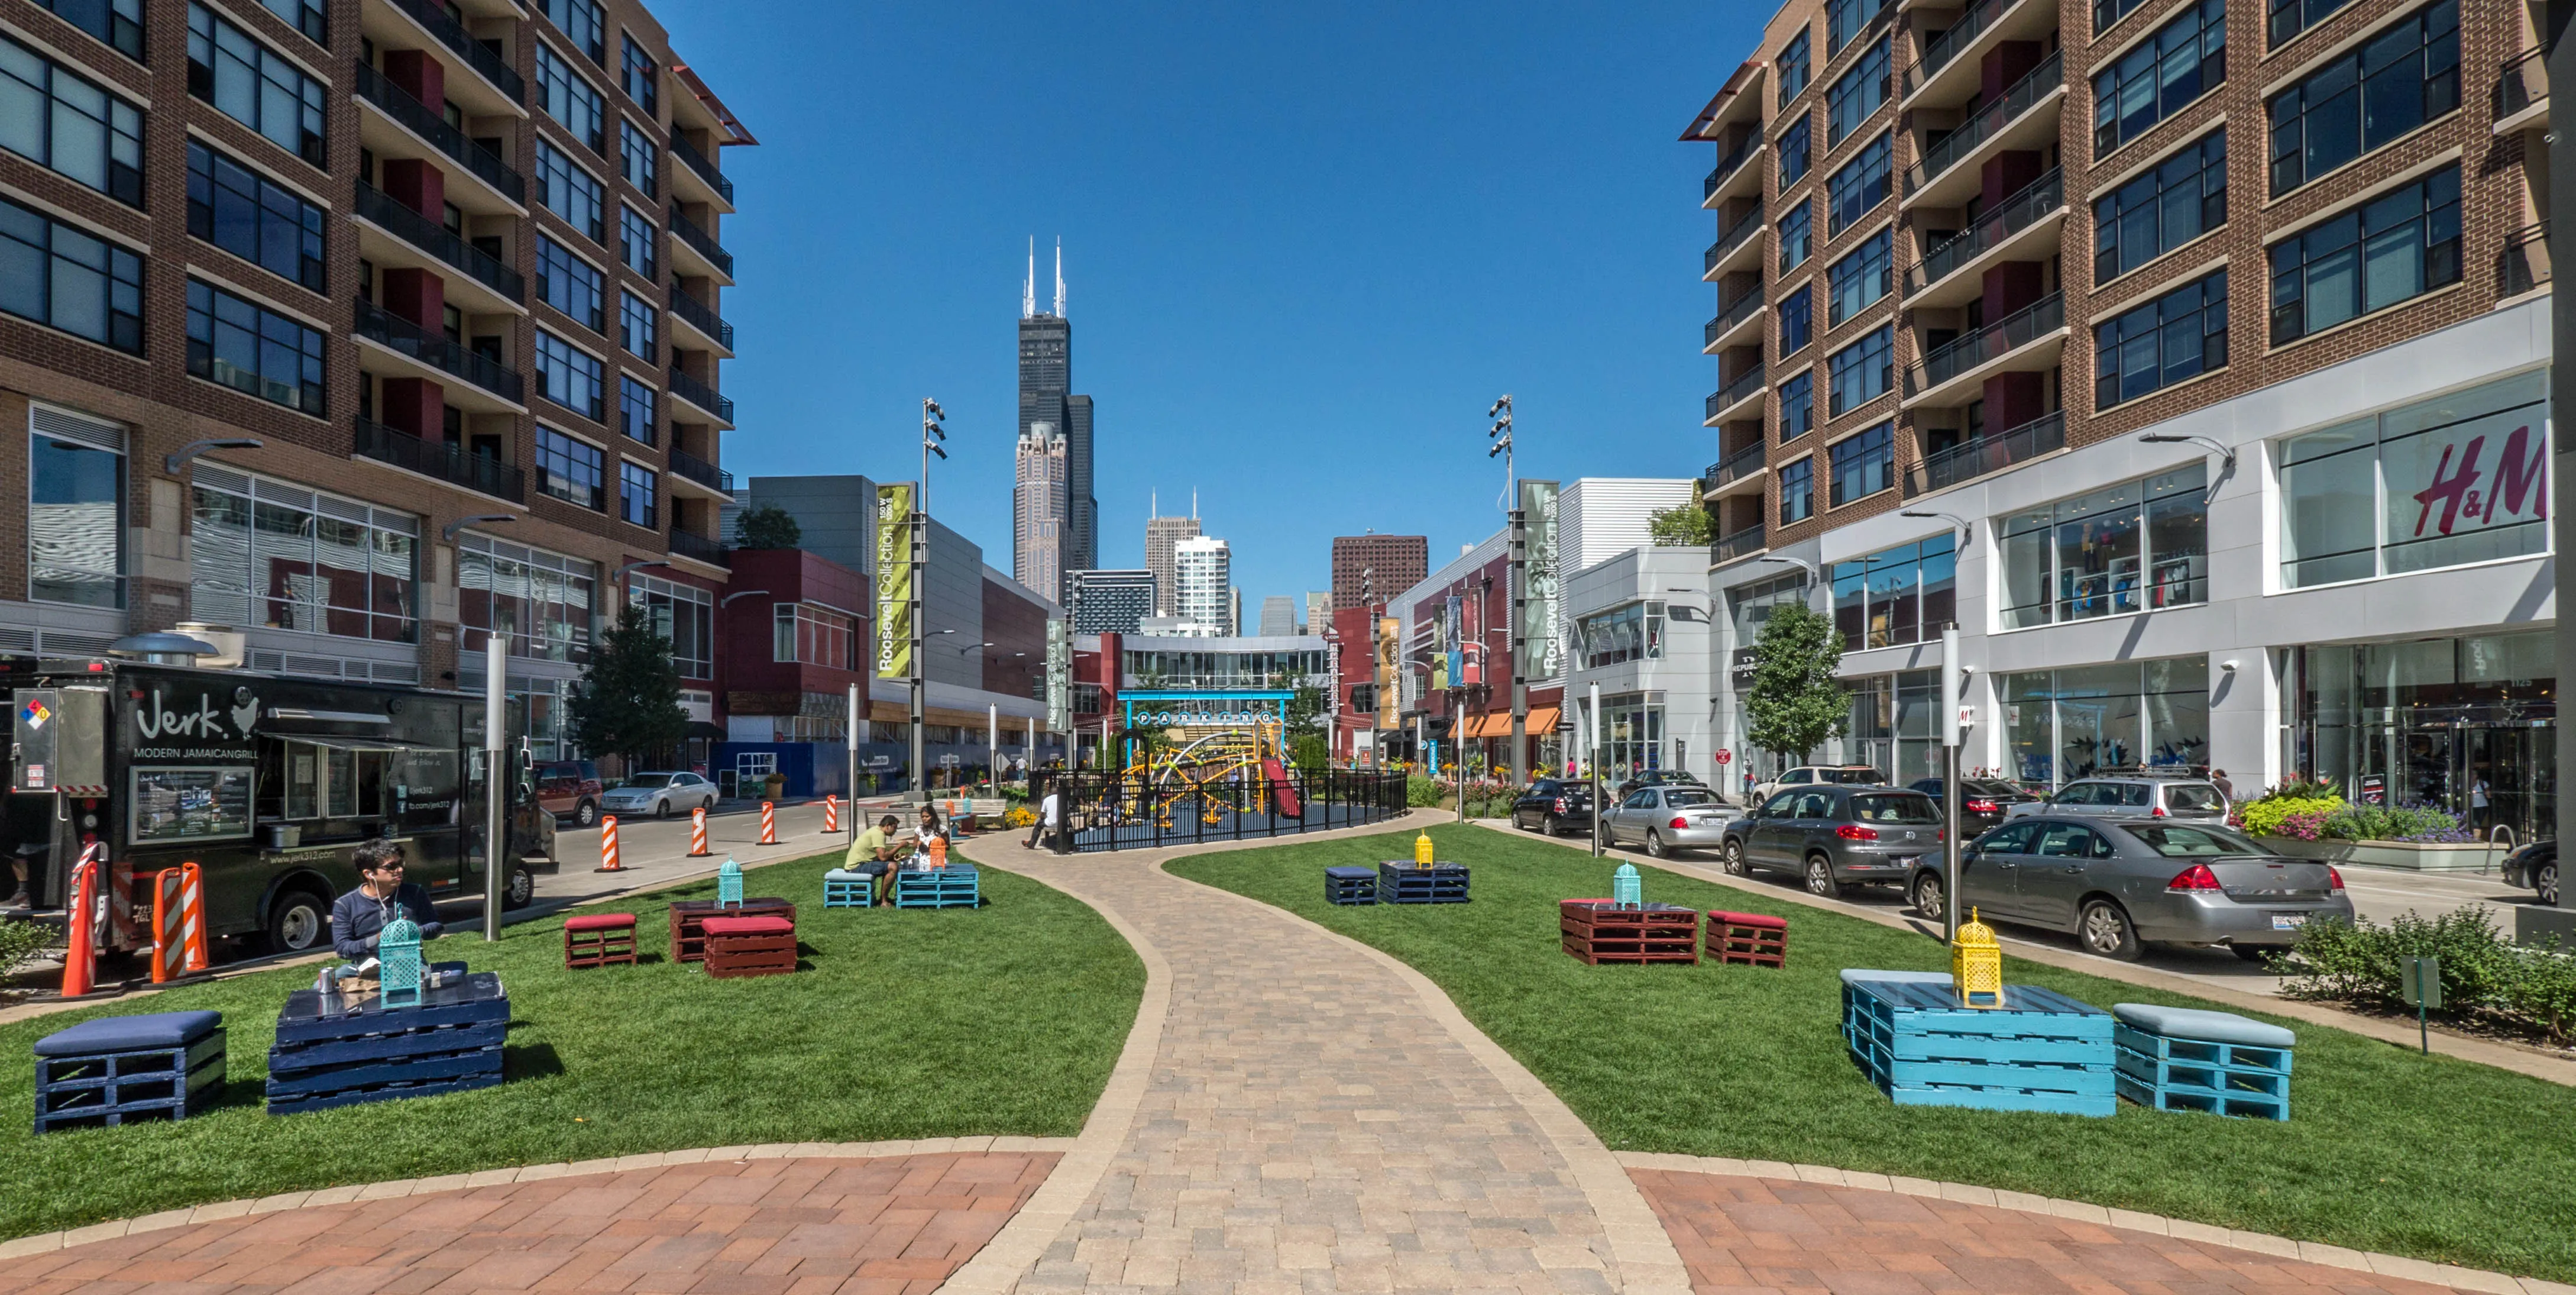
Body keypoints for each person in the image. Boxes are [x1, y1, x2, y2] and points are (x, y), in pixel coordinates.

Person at [330, 838, 441, 963]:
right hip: (364, 969)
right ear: (369, 874)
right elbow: (343, 949)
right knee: (322, 983)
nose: (400, 870)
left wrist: (413, 930)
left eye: (400, 864)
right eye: (391, 867)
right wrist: (380, 939)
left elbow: (436, 927)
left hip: (411, 965)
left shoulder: (415, 892)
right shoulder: (345, 905)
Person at [845, 815, 900, 905]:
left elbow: (880, 857)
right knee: (893, 867)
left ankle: (884, 898)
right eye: (894, 828)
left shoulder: (876, 830)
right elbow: (883, 857)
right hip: (856, 867)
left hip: (860, 864)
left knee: (891, 863)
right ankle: (883, 901)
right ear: (887, 826)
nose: (895, 831)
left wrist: (894, 857)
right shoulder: (879, 834)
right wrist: (900, 846)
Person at [1025, 777, 1060, 850]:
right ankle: (1071, 843)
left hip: (1050, 823)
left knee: (1038, 826)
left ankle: (1031, 844)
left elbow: (1043, 814)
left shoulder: (1047, 800)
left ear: (1051, 792)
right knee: (1070, 824)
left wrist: (1041, 819)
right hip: (1062, 824)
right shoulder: (1063, 799)